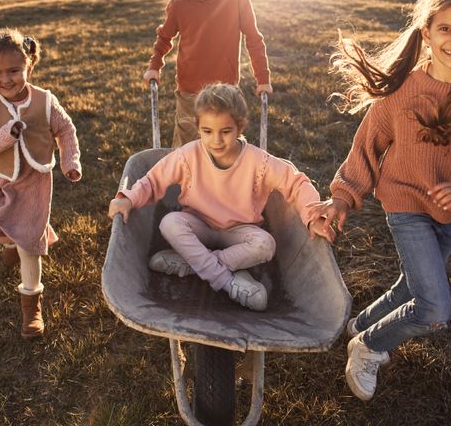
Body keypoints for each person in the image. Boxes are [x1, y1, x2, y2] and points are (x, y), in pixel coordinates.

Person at [307, 0, 451, 400]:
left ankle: (361, 322)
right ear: (427, 32)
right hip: (405, 201)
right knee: (433, 308)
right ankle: (368, 346)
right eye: (445, 28)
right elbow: (369, 143)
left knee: (414, 284)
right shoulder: (405, 87)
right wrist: (343, 196)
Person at [108, 83, 334, 311]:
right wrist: (128, 197)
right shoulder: (188, 155)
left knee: (266, 245)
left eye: (225, 131)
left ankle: (193, 263)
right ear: (198, 127)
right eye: (207, 132)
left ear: (240, 127)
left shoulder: (259, 162)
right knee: (170, 223)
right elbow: (153, 179)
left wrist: (313, 216)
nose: (216, 140)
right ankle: (227, 281)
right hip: (199, 225)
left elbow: (296, 183)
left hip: (239, 231)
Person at [0, 28, 82, 339]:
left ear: (29, 64)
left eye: (14, 71)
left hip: (36, 181)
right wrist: (6, 136)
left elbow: (65, 131)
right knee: (6, 229)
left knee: (30, 243)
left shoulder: (44, 100)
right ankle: (10, 243)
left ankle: (31, 303)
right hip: (2, 181)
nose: (7, 79)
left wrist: (70, 162)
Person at [143, 0, 273, 147]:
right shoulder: (178, 6)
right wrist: (154, 66)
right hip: (189, 91)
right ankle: (186, 179)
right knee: (187, 146)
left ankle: (226, 177)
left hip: (225, 90)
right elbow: (163, 38)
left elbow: (254, 39)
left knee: (225, 144)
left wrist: (263, 78)